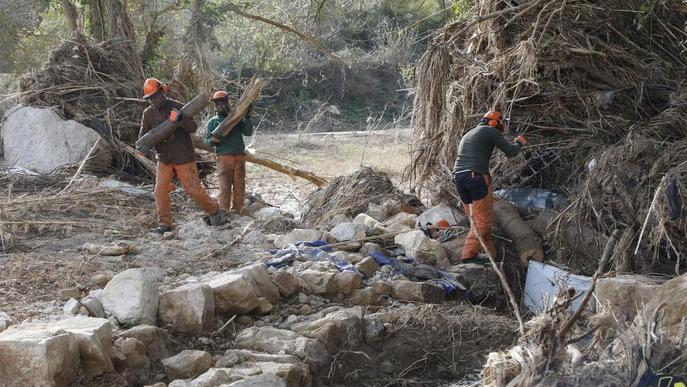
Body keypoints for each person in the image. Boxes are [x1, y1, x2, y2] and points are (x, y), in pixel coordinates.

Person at [137, 78, 222, 234]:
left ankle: (214, 210)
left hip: (183, 156)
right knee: (160, 190)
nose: (154, 101)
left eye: (155, 96)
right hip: (163, 158)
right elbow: (143, 136)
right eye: (150, 99)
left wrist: (181, 119)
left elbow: (192, 127)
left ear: (163, 91)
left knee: (193, 189)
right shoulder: (148, 114)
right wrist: (143, 147)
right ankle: (165, 224)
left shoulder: (177, 107)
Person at [452, 111, 527, 262]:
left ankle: (491, 256)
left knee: (475, 219)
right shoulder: (489, 130)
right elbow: (511, 152)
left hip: (459, 178)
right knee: (483, 221)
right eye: (501, 122)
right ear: (494, 122)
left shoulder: (471, 132)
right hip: (475, 177)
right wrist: (519, 142)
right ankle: (468, 255)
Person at [204, 90, 254, 214]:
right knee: (224, 187)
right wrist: (213, 140)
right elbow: (206, 141)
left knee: (239, 185)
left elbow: (248, 132)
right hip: (223, 157)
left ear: (228, 103)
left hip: (239, 156)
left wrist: (247, 116)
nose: (220, 106)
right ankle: (223, 211)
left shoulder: (236, 118)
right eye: (217, 104)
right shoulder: (213, 122)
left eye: (222, 103)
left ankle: (237, 210)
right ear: (215, 106)